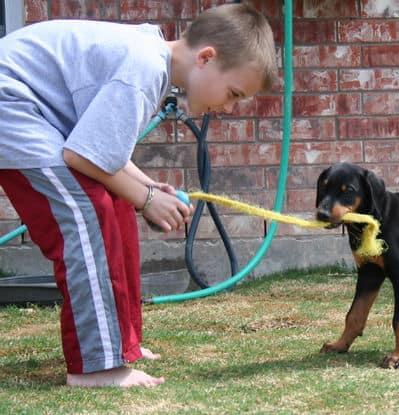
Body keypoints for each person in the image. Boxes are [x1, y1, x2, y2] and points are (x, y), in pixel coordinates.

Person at [0, 2, 278, 387]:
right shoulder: (144, 69)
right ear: (206, 58)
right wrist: (147, 199)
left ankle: (121, 343)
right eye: (233, 93)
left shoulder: (150, 59)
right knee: (88, 217)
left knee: (114, 202)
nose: (229, 107)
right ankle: (97, 366)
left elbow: (101, 148)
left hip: (36, 115)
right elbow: (82, 155)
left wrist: (146, 187)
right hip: (12, 109)